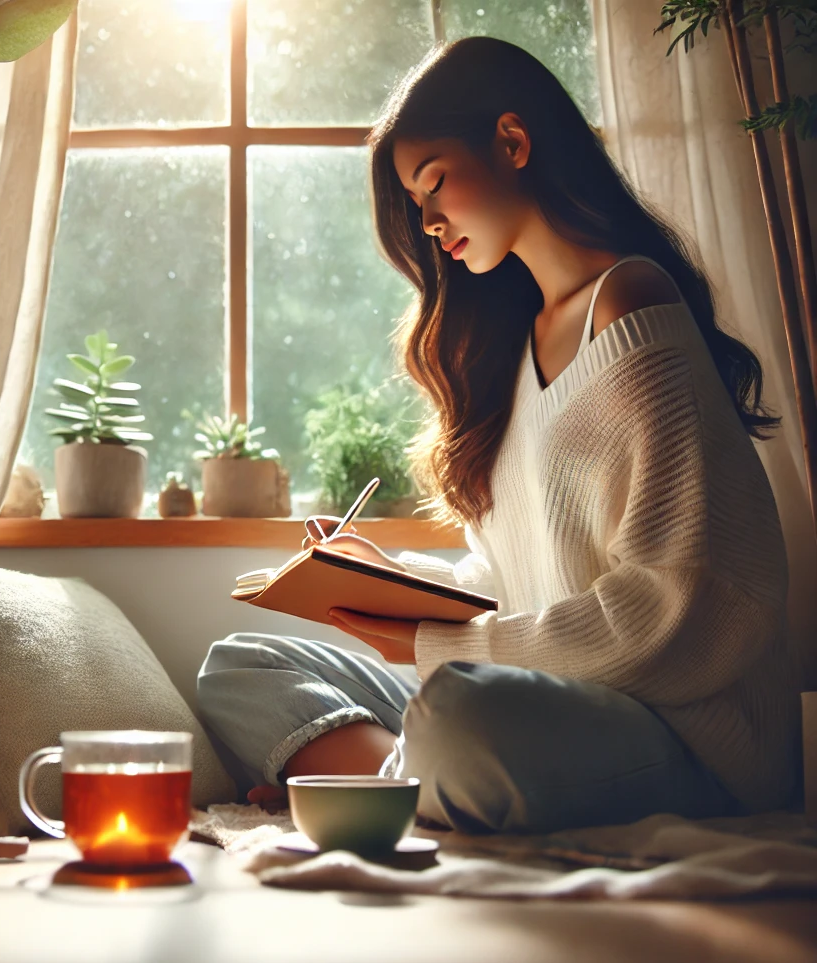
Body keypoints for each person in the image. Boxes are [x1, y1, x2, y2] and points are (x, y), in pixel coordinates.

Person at [196, 37, 801, 834]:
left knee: (458, 718)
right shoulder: (515, 346)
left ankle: (380, 778)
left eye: (436, 183)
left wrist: (439, 647)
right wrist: (393, 579)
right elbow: (521, 575)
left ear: (512, 143)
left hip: (678, 727)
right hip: (550, 694)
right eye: (418, 204)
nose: (431, 223)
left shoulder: (629, 303)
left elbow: (682, 609)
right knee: (239, 665)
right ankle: (404, 779)